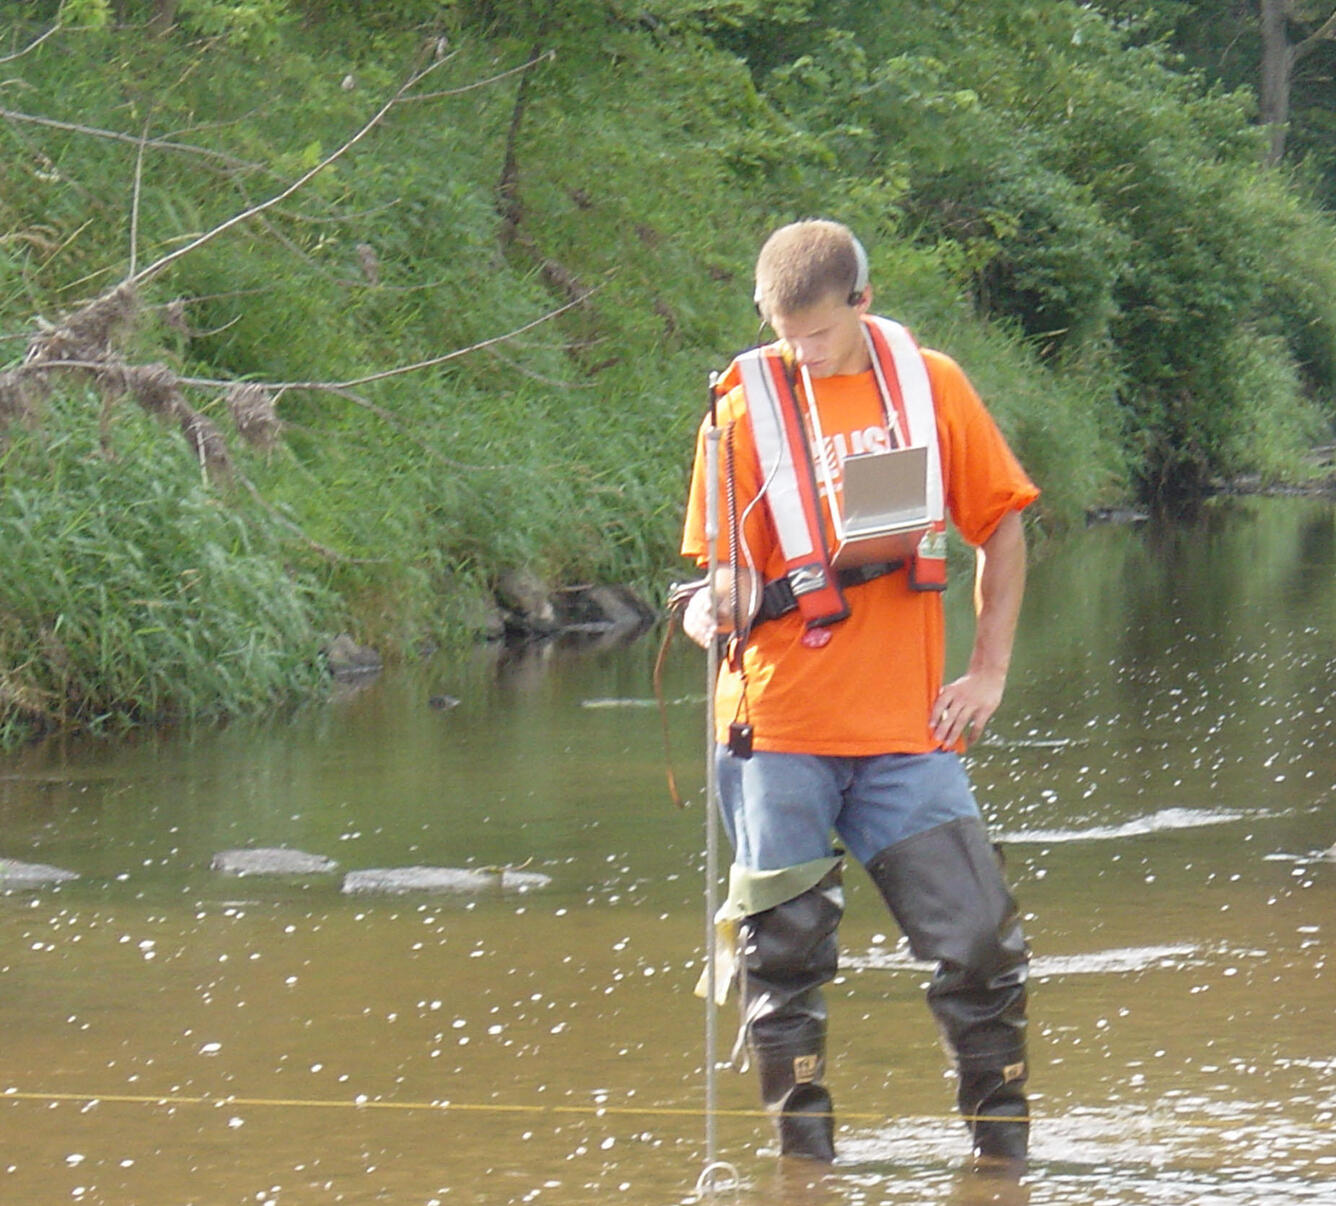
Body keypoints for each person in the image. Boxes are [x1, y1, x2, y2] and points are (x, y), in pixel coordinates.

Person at [679, 219, 1038, 1170]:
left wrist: (989, 672)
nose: (798, 353)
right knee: (783, 962)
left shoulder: (933, 387)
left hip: (904, 732)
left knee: (980, 945)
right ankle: (806, 1170)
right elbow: (715, 578)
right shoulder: (738, 413)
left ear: (862, 302)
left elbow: (1000, 527)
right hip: (776, 729)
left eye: (818, 335)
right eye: (782, 333)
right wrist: (709, 609)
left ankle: (1002, 1165)